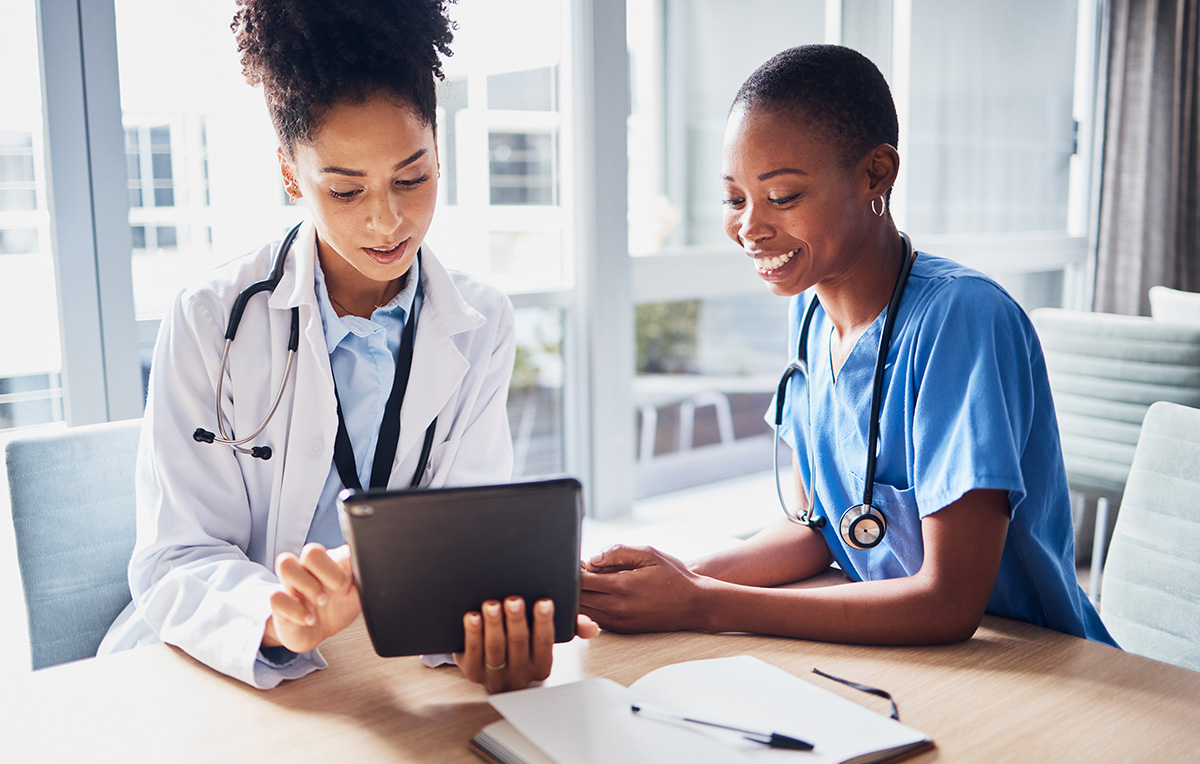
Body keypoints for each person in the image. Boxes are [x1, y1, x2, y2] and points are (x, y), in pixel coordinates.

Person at [100, 0, 595, 691]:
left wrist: (488, 626)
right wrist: (277, 618)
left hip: (381, 673)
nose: (386, 219)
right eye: (343, 188)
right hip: (219, 667)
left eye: (412, 177)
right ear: (289, 173)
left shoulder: (479, 320)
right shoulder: (212, 316)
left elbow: (467, 538)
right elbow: (175, 559)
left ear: (438, 151)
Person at [580, 44, 1116, 648]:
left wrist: (703, 605)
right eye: (735, 199)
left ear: (875, 174)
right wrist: (675, 580)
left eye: (781, 196)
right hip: (905, 653)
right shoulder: (809, 315)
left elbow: (949, 602)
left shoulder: (964, 319)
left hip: (1035, 663)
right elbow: (817, 528)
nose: (750, 227)